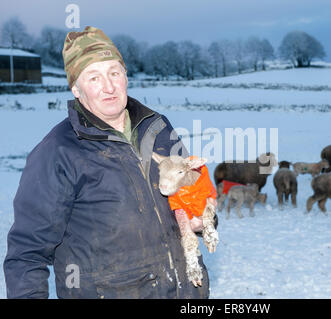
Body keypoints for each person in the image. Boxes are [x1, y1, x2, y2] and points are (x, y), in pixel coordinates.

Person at [3, 26, 210, 299]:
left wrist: (204, 219)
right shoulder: (58, 152)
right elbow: (26, 254)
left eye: (114, 72)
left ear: (126, 76)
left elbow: (195, 191)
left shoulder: (158, 129)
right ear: (76, 89)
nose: (109, 86)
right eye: (94, 77)